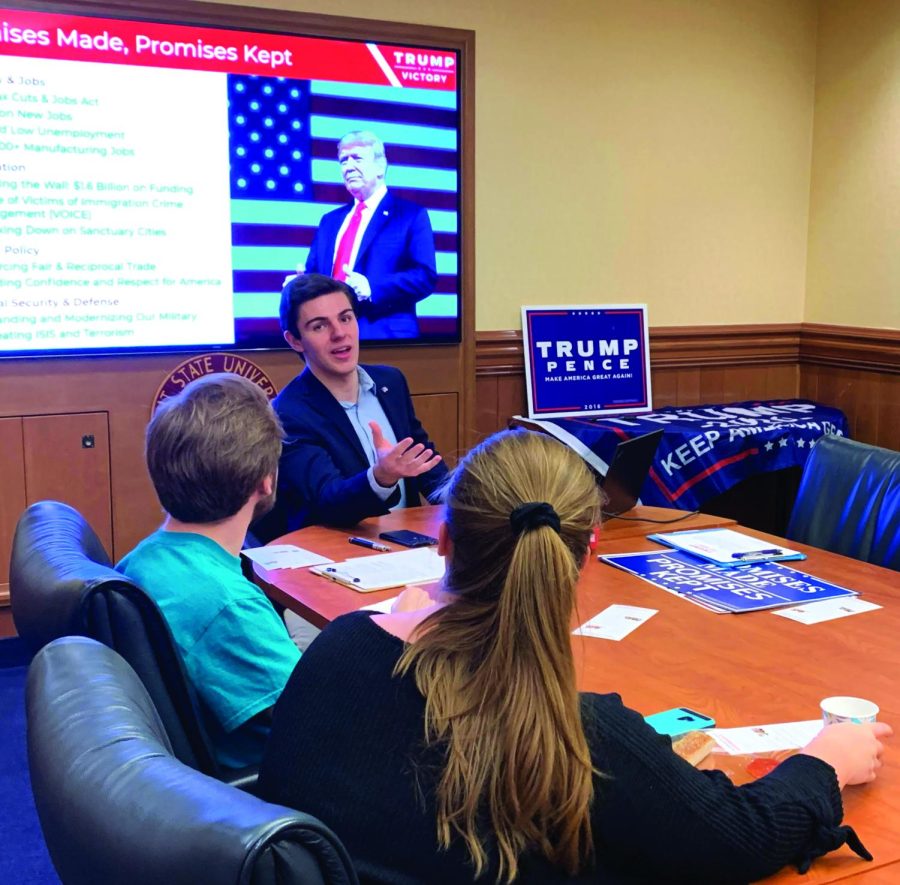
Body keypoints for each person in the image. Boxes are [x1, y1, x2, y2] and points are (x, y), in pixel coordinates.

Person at [258, 428, 891, 884]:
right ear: (587, 554)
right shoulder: (580, 740)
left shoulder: (338, 650)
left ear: (443, 540)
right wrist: (823, 764)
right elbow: (743, 839)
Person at [118, 374, 300, 771]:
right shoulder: (231, 607)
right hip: (272, 792)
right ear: (264, 483)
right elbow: (327, 720)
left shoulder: (140, 560)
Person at [254, 272, 448, 539]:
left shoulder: (390, 382)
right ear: (295, 340)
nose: (340, 334)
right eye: (320, 326)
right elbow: (327, 501)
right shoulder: (289, 412)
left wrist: (462, 499)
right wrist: (381, 477)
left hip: (407, 544)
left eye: (345, 318)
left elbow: (424, 460)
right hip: (336, 553)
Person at [304, 129, 437, 340]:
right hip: (330, 340)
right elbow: (314, 274)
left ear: (380, 166)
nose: (348, 167)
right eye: (343, 161)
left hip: (385, 337)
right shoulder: (330, 221)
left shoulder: (410, 216)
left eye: (356, 158)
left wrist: (371, 287)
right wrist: (300, 284)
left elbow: (424, 276)